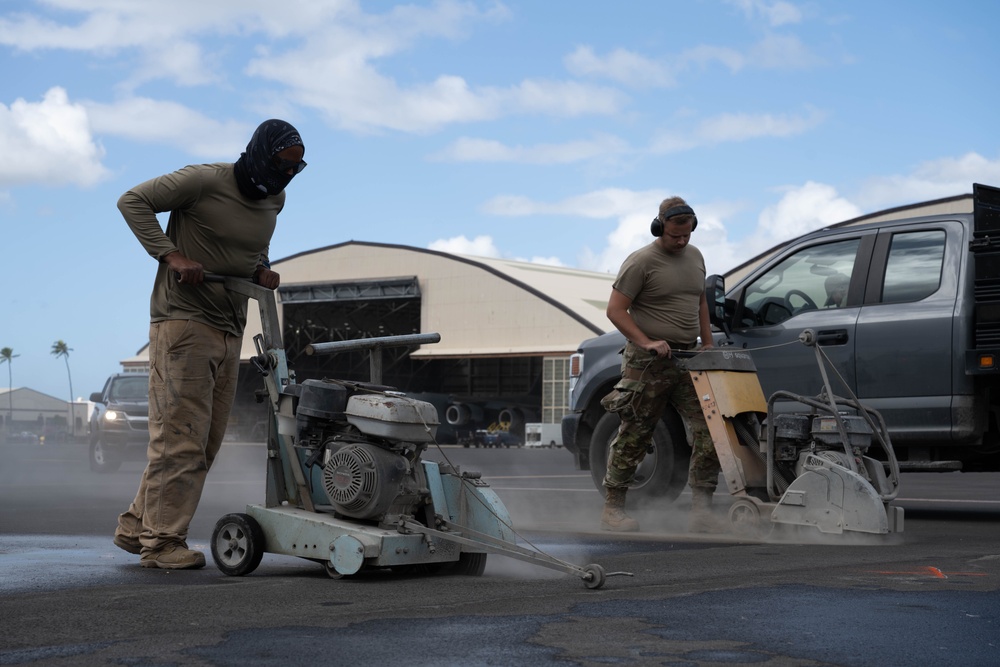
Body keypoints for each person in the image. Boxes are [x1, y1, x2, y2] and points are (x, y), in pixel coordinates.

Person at [113, 119, 306, 569]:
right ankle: (161, 544)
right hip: (184, 323)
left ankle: (135, 527)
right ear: (260, 153)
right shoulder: (202, 181)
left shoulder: (275, 197)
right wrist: (172, 255)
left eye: (297, 168)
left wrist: (261, 269)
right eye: (282, 164)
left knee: (205, 442)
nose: (287, 175)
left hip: (230, 325)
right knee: (179, 438)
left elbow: (255, 245)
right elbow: (132, 201)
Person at [599, 196, 722, 533]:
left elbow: (699, 301)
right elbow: (615, 310)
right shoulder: (641, 262)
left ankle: (702, 510)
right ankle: (613, 508)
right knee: (637, 432)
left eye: (686, 235)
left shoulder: (695, 257)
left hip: (686, 358)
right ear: (659, 228)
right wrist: (646, 341)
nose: (681, 242)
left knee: (710, 429)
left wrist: (707, 342)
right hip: (648, 362)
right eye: (674, 236)